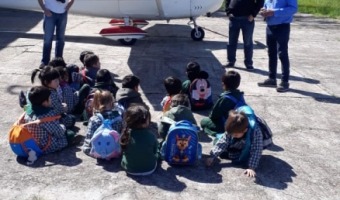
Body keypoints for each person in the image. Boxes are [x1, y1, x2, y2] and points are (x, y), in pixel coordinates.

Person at [206, 109, 263, 177]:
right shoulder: (232, 127)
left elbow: (256, 149)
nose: (233, 135)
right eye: (231, 133)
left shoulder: (255, 132)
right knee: (221, 149)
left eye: (235, 135)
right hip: (238, 143)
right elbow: (223, 141)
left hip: (248, 146)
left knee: (243, 159)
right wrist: (213, 156)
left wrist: (251, 167)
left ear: (245, 130)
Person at [257, 0, 298, 92]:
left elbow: (293, 9)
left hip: (282, 27)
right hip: (270, 27)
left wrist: (274, 12)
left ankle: (285, 81)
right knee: (271, 53)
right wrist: (263, 11)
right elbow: (266, 5)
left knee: (282, 54)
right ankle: (272, 78)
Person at [24, 86, 69, 154]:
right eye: (50, 98)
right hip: (47, 146)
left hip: (33, 144)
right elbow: (59, 133)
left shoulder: (28, 112)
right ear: (45, 102)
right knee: (70, 134)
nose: (51, 99)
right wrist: (63, 127)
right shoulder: (47, 115)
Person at [200, 70, 244, 136]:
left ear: (223, 84)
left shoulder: (225, 98)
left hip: (228, 124)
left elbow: (214, 115)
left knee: (204, 122)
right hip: (240, 124)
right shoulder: (240, 95)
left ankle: (220, 133)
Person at [224, 0, 264, 70]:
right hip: (234, 19)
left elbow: (260, 2)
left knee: (248, 42)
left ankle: (248, 63)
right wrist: (228, 12)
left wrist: (253, 14)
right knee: (231, 42)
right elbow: (227, 1)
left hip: (247, 19)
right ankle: (230, 61)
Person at [120, 104, 159, 176]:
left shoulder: (125, 134)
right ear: (145, 122)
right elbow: (155, 151)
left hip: (129, 169)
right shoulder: (151, 136)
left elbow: (123, 149)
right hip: (150, 169)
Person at [82, 90, 123, 156]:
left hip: (97, 152)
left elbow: (89, 138)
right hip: (114, 151)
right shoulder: (118, 118)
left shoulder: (93, 119)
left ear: (97, 103)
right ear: (111, 103)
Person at [38, 0, 75, 68]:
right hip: (49, 12)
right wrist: (44, 9)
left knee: (61, 39)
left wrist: (70, 3)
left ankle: (59, 62)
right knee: (48, 39)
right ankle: (45, 62)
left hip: (63, 13)